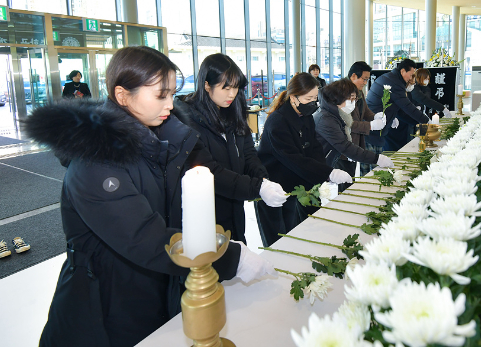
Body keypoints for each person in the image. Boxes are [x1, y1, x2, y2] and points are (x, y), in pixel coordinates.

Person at [23, 46, 274, 347]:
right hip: (103, 305)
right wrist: (228, 256)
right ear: (123, 95)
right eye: (160, 95)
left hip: (154, 290)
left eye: (171, 94)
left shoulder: (160, 143)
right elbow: (143, 237)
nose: (170, 103)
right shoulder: (95, 164)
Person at [175, 54, 288, 245]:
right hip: (205, 215)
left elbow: (249, 154)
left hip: (235, 206)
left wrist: (263, 180)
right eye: (225, 88)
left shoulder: (232, 112)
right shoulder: (187, 120)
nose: (231, 94)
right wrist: (257, 187)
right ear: (206, 85)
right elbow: (210, 171)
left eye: (235, 87)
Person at [255, 72, 352, 246]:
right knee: (281, 241)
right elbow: (294, 159)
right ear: (293, 97)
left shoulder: (306, 116)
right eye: (308, 99)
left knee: (303, 233)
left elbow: (315, 148)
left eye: (315, 99)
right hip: (276, 186)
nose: (313, 104)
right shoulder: (278, 122)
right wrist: (328, 172)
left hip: (298, 182)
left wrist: (324, 175)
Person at [314, 79, 393, 189]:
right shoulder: (326, 119)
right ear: (338, 97)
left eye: (355, 100)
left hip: (327, 160)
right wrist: (377, 159)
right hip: (319, 164)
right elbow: (345, 146)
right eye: (351, 99)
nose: (353, 104)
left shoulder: (338, 114)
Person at [366, 58, 429, 152]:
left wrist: (418, 124)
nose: (412, 79)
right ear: (403, 71)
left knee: (377, 159)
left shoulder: (391, 78)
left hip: (377, 127)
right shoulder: (395, 83)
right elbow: (408, 107)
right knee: (374, 162)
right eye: (411, 75)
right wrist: (426, 121)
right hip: (373, 127)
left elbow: (401, 110)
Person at [346, 61, 387, 175]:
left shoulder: (358, 91)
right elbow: (348, 123)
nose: (365, 82)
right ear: (353, 76)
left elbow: (365, 111)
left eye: (367, 80)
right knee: (344, 182)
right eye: (364, 79)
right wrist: (370, 125)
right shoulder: (341, 92)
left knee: (351, 177)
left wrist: (375, 116)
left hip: (354, 142)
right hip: (343, 143)